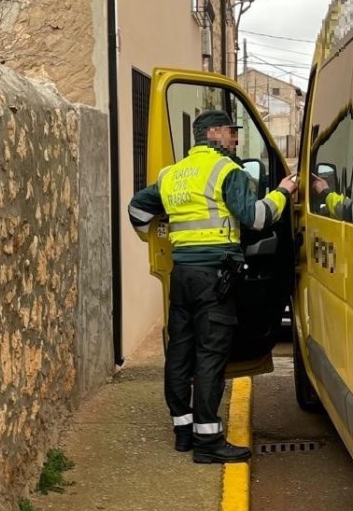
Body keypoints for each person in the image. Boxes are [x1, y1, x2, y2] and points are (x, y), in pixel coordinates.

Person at [128, 109, 299, 464]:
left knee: (180, 353)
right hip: (215, 278)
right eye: (231, 132)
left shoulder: (172, 174)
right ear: (215, 133)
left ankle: (183, 432)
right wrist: (283, 192)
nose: (235, 138)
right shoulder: (227, 171)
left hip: (183, 276)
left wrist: (161, 239)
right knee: (210, 356)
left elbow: (138, 212)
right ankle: (208, 440)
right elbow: (256, 218)